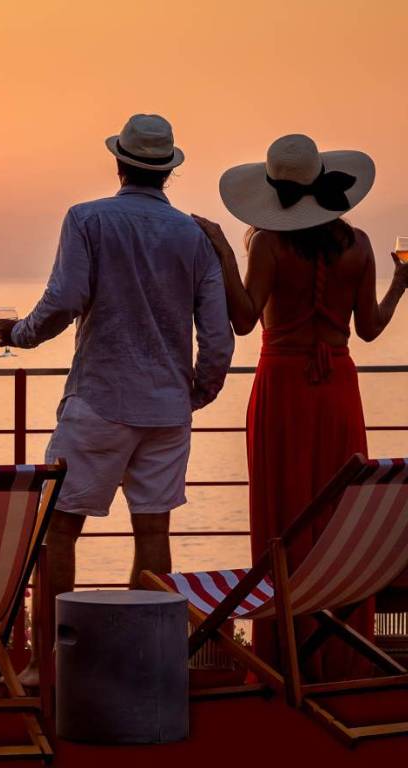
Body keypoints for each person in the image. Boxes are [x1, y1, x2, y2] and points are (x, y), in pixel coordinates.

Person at [0, 114, 234, 685]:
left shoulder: (88, 219)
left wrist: (19, 335)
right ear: (167, 172)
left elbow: (64, 300)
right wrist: (196, 391)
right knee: (153, 533)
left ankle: (47, 666)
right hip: (168, 411)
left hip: (100, 401)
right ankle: (142, 665)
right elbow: (218, 337)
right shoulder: (193, 237)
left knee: (60, 531)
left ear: (119, 163)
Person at [194, 133, 408, 681]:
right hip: (339, 390)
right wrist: (402, 283)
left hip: (283, 391)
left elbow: (243, 320)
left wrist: (222, 252)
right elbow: (370, 328)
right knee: (341, 519)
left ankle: (284, 657)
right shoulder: (359, 244)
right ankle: (344, 654)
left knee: (284, 516)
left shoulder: (266, 244)